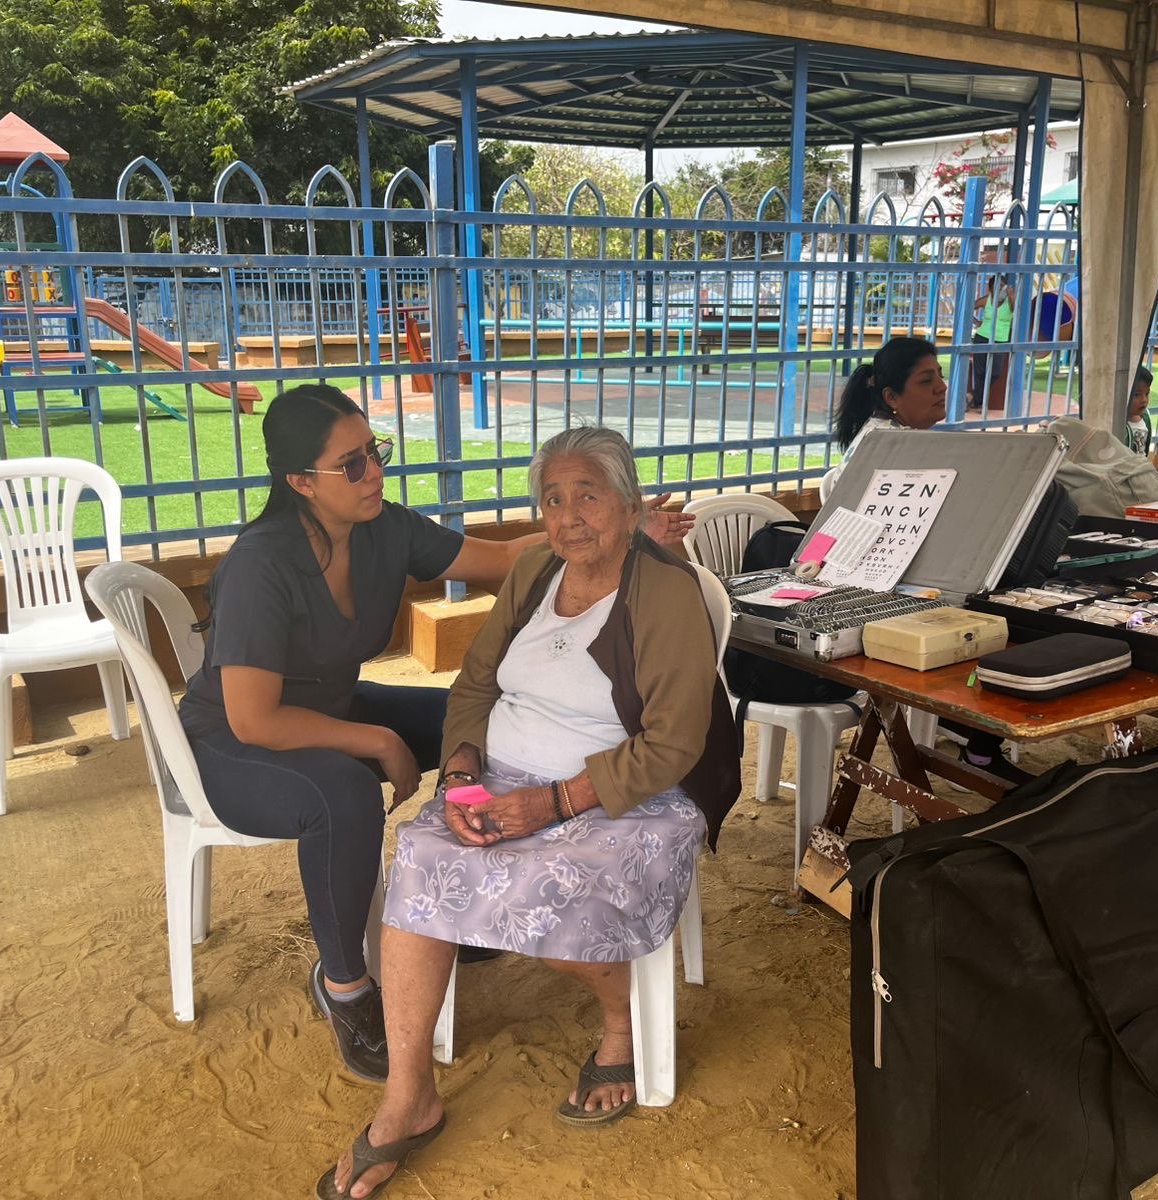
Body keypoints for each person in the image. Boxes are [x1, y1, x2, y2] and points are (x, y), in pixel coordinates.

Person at [177, 386, 694, 1085]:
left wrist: (616, 528)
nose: (374, 473)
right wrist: (380, 743)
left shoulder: (381, 527)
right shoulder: (260, 563)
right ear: (301, 482)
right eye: (351, 464)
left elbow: (504, 559)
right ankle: (345, 987)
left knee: (463, 720)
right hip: (235, 741)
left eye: (374, 452)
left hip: (330, 705)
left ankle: (472, 902)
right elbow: (254, 718)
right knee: (345, 795)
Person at [316, 426, 739, 1199]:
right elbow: (476, 682)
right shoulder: (536, 568)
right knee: (422, 856)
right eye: (552, 498)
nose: (569, 516)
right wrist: (461, 776)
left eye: (589, 496)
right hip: (505, 779)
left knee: (556, 889)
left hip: (628, 793)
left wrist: (553, 803)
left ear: (629, 504)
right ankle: (409, 1095)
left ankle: (623, 1024)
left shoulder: (666, 590)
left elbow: (674, 742)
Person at [826, 339, 1026, 783]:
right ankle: (976, 739)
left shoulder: (903, 439)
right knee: (998, 613)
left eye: (940, 376)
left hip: (901, 577)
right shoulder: (889, 445)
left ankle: (966, 725)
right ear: (892, 397)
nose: (941, 387)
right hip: (879, 590)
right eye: (926, 380)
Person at [969, 246, 1014, 413]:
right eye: (997, 287)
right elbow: (968, 308)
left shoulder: (1010, 301)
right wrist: (977, 322)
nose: (1000, 289)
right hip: (982, 336)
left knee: (995, 372)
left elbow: (1016, 308)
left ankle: (975, 399)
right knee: (980, 371)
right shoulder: (986, 300)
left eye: (1002, 286)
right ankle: (979, 403)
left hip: (1000, 340)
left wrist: (1010, 294)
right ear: (991, 288)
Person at [1125, 365, 1154, 457]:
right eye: (1137, 395)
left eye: (1147, 393)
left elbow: (1146, 449)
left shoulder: (1145, 419)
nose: (1144, 400)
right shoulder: (1117, 424)